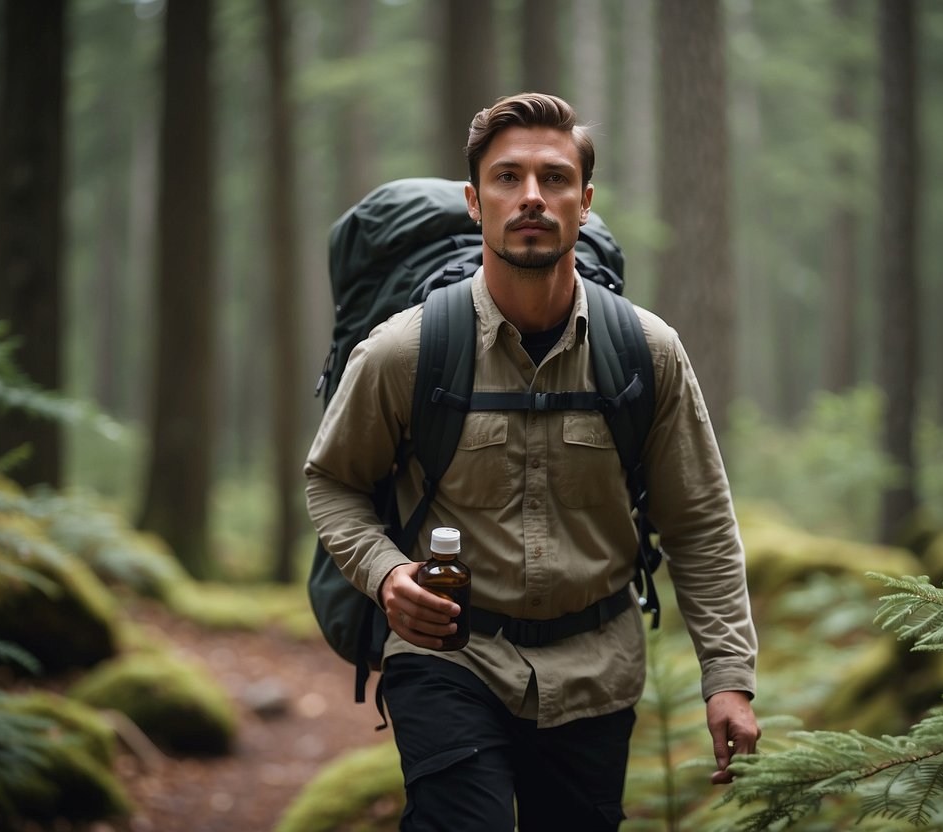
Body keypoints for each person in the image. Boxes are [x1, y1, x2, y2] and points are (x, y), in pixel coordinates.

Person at [305, 92, 759, 832]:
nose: (530, 198)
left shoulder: (646, 353)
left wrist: (728, 679)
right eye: (507, 178)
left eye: (552, 179)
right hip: (447, 655)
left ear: (584, 201)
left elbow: (699, 521)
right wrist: (387, 575)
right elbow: (332, 483)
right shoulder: (403, 350)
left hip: (596, 672)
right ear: (473, 202)